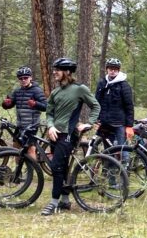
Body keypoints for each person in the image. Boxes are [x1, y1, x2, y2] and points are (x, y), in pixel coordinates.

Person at [41, 58, 100, 216]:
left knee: (56, 167)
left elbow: (95, 106)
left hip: (69, 134)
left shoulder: (80, 89)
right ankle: (65, 200)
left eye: (58, 69)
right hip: (55, 134)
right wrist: (50, 125)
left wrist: (89, 123)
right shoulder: (56, 92)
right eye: (54, 69)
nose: (54, 72)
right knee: (63, 167)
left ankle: (54, 202)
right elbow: (49, 112)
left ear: (67, 72)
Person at [2, 66, 48, 159]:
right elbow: (10, 104)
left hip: (31, 126)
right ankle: (18, 173)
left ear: (30, 78)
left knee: (31, 150)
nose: (23, 80)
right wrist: (6, 104)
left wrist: (35, 104)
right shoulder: (17, 91)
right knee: (16, 148)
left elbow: (46, 106)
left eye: (25, 78)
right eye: (21, 78)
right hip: (20, 125)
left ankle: (33, 170)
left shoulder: (37, 91)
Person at [95, 58, 135, 151]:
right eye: (110, 69)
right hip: (105, 122)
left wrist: (129, 126)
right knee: (107, 149)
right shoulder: (102, 83)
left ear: (118, 70)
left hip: (119, 123)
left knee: (122, 149)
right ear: (107, 69)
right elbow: (97, 102)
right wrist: (97, 118)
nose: (113, 71)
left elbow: (129, 106)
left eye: (115, 69)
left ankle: (125, 165)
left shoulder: (124, 85)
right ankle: (109, 165)